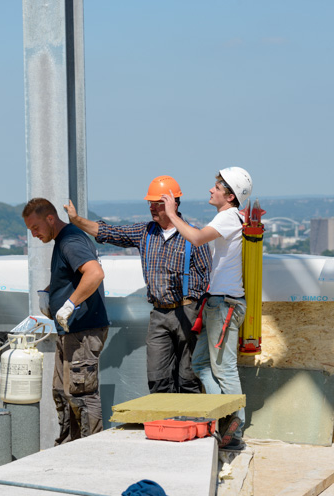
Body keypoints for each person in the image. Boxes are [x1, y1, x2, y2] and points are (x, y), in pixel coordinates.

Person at [65, 175, 212, 394]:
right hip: (160, 314)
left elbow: (206, 277)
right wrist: (77, 221)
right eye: (150, 203)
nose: (152, 208)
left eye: (158, 203)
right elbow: (109, 232)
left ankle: (189, 424)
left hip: (188, 312)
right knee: (157, 377)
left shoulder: (192, 236)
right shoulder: (145, 232)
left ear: (173, 203)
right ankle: (165, 424)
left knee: (188, 378)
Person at [163, 167, 253, 450]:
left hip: (224, 304)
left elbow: (198, 238)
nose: (211, 190)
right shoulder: (230, 215)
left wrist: (172, 215)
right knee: (201, 364)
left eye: (216, 186)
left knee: (224, 369)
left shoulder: (228, 217)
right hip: (218, 302)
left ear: (229, 195)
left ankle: (235, 426)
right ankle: (223, 418)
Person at [22, 198, 109, 445]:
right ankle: (69, 445)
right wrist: (50, 292)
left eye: (36, 227)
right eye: (30, 230)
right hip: (69, 330)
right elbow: (70, 277)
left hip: (82, 329)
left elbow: (95, 273)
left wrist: (70, 304)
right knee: (62, 392)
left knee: (82, 394)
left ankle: (91, 448)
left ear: (51, 218)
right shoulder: (62, 241)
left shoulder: (70, 240)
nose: (34, 234)